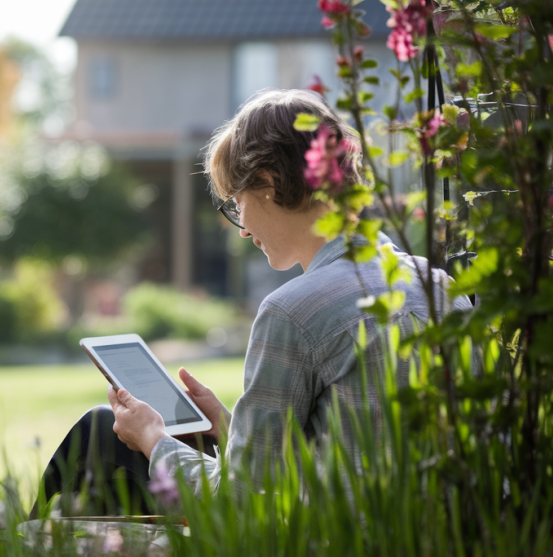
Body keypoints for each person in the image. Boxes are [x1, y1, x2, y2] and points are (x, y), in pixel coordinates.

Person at [35, 89, 470, 514]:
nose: (241, 229)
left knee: (99, 434)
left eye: (236, 204)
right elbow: (348, 446)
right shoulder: (439, 287)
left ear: (267, 182)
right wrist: (229, 427)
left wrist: (152, 439)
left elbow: (242, 502)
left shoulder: (293, 312)